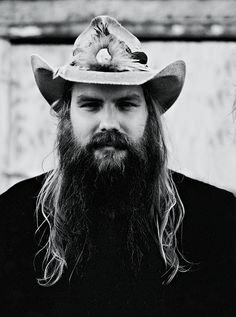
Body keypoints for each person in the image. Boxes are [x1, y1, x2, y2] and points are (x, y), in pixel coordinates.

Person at [0, 16, 235, 317]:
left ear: (150, 118)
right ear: (66, 118)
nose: (109, 123)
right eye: (90, 105)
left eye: (126, 104)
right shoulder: (12, 217)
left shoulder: (216, 220)